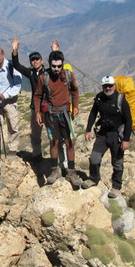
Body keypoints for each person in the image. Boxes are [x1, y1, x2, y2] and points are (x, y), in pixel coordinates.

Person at [34, 50, 81, 188]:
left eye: (59, 66)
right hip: (50, 114)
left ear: (62, 65)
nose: (56, 69)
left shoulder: (68, 75)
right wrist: (38, 112)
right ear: (50, 64)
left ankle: (72, 172)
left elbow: (75, 90)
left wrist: (76, 105)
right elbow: (37, 95)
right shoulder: (44, 77)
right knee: (53, 142)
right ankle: (55, 171)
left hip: (65, 113)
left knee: (69, 142)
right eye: (54, 66)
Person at [84, 75, 132, 198]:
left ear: (114, 86)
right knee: (94, 158)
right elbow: (93, 113)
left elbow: (128, 120)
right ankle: (94, 178)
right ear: (102, 86)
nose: (108, 88)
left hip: (117, 136)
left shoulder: (121, 99)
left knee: (117, 163)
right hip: (103, 134)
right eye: (105, 86)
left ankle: (116, 186)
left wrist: (126, 139)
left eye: (110, 86)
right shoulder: (99, 98)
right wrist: (88, 130)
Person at [11, 37, 46, 162]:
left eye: (37, 59)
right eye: (33, 60)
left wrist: (55, 52)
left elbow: (59, 68)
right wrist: (15, 50)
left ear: (41, 60)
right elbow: (16, 65)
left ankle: (57, 158)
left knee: (54, 133)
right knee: (35, 133)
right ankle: (37, 154)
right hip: (35, 108)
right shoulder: (31, 73)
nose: (35, 62)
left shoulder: (47, 72)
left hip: (49, 107)